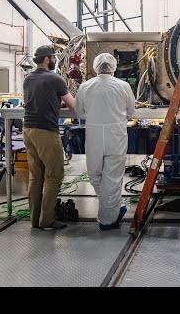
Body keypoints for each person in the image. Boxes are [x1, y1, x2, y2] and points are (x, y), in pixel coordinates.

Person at [75, 53, 135, 230]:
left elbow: (79, 113)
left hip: (93, 133)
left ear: (95, 67)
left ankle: (109, 215)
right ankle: (111, 214)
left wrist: (95, 114)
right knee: (113, 176)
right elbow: (131, 111)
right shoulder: (123, 86)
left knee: (95, 174)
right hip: (115, 134)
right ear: (114, 67)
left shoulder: (85, 86)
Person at [23, 45, 76, 231]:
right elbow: (74, 106)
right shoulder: (55, 78)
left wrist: (55, 101)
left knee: (36, 176)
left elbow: (39, 99)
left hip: (28, 130)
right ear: (47, 58)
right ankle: (47, 221)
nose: (55, 61)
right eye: (54, 57)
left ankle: (35, 220)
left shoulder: (28, 78)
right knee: (54, 175)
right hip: (46, 131)